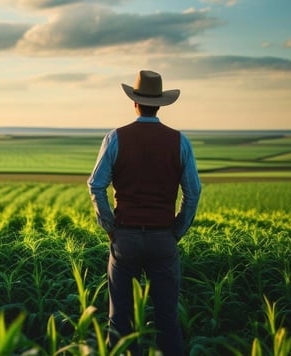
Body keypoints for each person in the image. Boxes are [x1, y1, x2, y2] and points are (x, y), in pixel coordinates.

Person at [87, 70, 201, 355]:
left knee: (119, 321)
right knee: (166, 319)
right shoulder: (179, 141)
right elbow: (193, 192)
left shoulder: (116, 138)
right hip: (163, 238)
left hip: (125, 237)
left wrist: (111, 227)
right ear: (160, 105)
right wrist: (177, 230)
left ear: (134, 103)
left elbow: (96, 186)